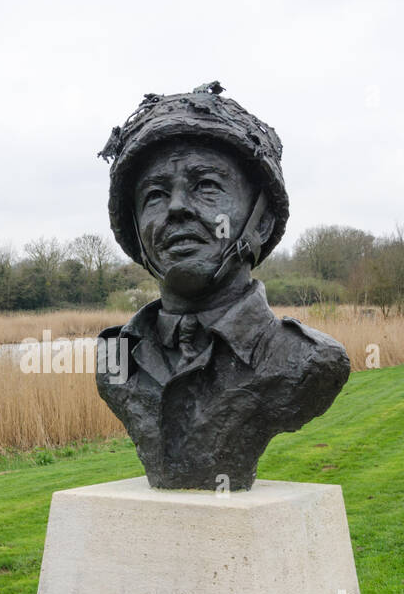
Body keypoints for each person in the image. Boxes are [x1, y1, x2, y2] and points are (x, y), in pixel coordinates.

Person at [95, 81, 351, 490]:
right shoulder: (116, 358)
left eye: (207, 186)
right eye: (155, 195)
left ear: (261, 222)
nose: (177, 208)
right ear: (137, 232)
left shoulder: (307, 359)